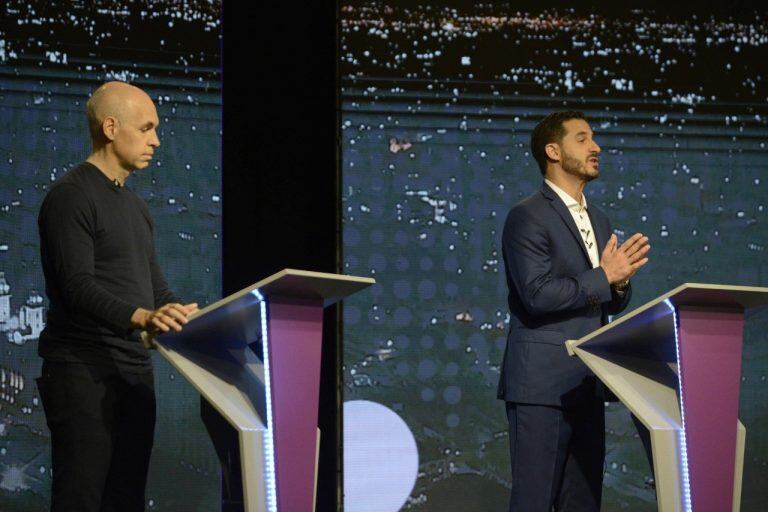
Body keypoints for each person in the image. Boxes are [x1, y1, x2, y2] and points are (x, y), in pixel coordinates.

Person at [36, 81, 198, 512]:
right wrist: (145, 317)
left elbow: (154, 289)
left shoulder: (136, 208)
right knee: (81, 499)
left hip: (133, 374)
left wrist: (180, 314)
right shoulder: (71, 197)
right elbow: (77, 286)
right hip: (84, 374)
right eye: (146, 128)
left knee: (126, 501)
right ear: (111, 127)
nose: (156, 140)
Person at [497, 110, 650, 511]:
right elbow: (536, 294)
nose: (596, 147)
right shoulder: (527, 215)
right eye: (582, 138)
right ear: (553, 151)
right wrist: (604, 276)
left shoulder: (599, 220)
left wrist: (618, 285)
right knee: (534, 501)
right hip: (542, 385)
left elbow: (604, 298)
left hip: (588, 383)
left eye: (593, 138)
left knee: (583, 503)